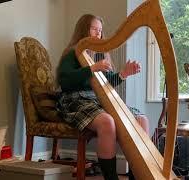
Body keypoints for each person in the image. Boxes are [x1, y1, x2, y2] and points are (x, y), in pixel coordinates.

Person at [57, 14, 149, 180]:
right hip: (75, 99)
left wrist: (123, 74)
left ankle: (138, 173)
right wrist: (92, 68)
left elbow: (105, 84)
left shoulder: (99, 55)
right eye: (94, 29)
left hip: (96, 100)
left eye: (100, 31)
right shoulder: (72, 54)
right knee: (107, 122)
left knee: (141, 120)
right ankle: (111, 177)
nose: (98, 34)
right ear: (83, 30)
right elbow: (65, 80)